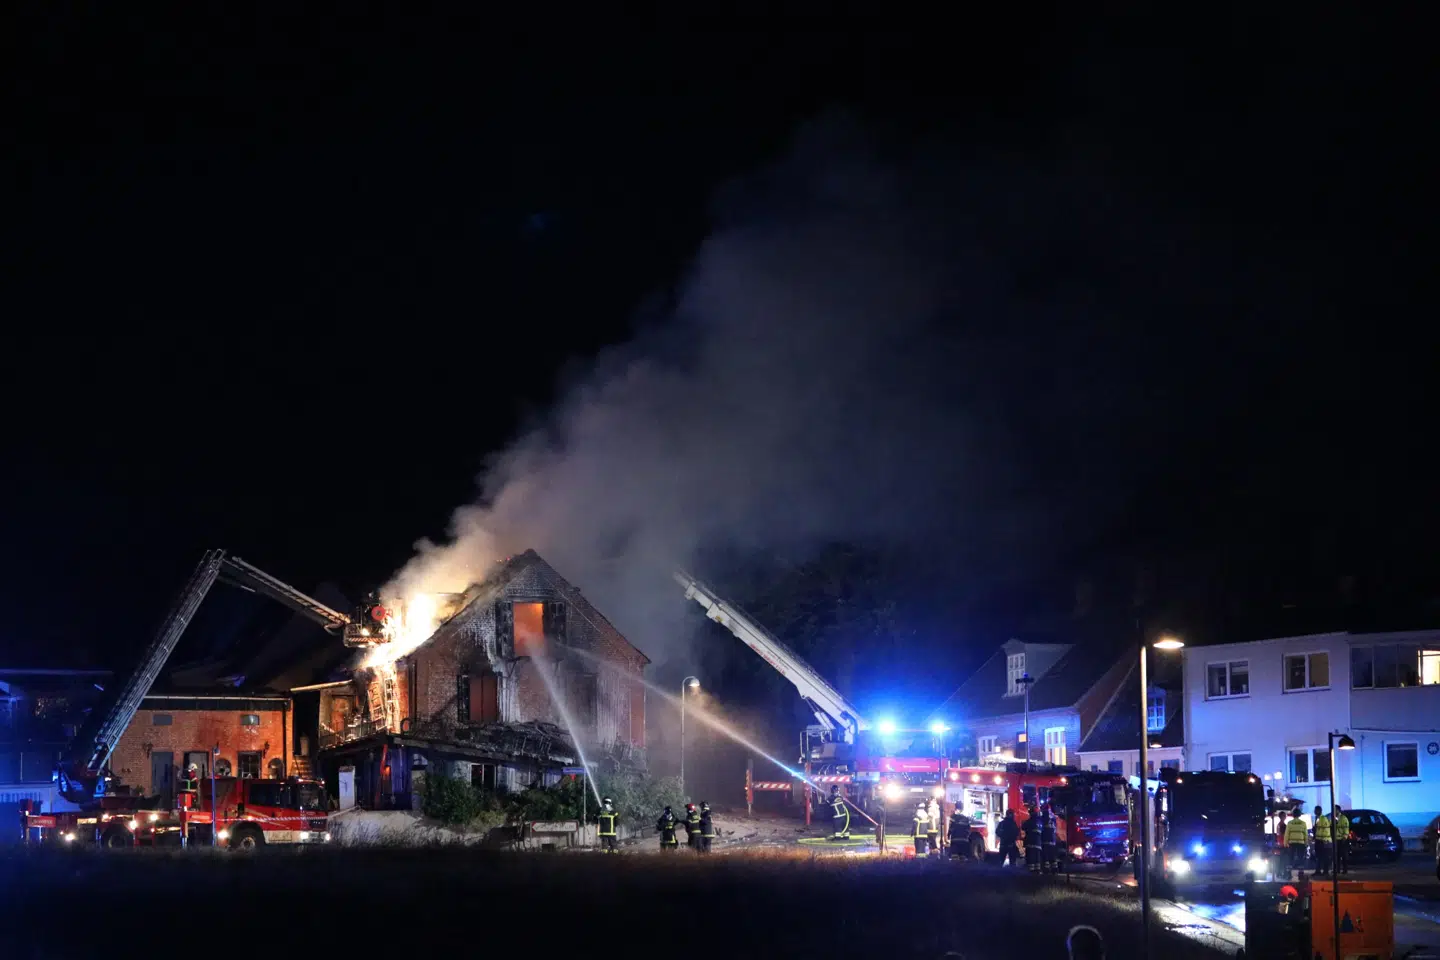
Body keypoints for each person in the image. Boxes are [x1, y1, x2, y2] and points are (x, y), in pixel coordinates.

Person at [1284, 809, 1310, 875]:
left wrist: (1285, 843)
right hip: (1301, 843)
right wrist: (1306, 843)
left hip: (1292, 843)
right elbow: (1306, 834)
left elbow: (1286, 834)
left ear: (1293, 814)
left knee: (1291, 857)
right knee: (1300, 857)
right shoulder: (1303, 823)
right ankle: (1300, 872)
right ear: (1299, 814)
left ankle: (1288, 873)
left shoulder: (1289, 823)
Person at [1313, 804, 1332, 874]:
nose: (1314, 811)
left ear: (1319, 811)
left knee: (1324, 857)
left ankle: (1325, 871)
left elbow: (1326, 830)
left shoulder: (1323, 819)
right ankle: (1318, 871)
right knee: (1318, 856)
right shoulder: (1317, 818)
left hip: (1324, 841)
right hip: (1318, 840)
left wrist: (1324, 840)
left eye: (1315, 810)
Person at [1023, 804, 1042, 873]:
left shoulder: (1029, 821)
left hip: (1030, 843)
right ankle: (1037, 870)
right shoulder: (1040, 822)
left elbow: (1023, 827)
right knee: (1037, 858)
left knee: (1031, 857)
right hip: (1038, 843)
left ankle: (1031, 872)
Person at [1041, 802, 1059, 873]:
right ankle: (1055, 870)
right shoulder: (1052, 820)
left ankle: (1046, 870)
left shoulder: (1043, 819)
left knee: (1046, 857)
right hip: (1052, 841)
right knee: (1053, 857)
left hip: (1045, 841)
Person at [1333, 805, 1351, 875]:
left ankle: (1345, 870)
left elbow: (1346, 829)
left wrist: (1344, 837)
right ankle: (1337, 870)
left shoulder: (1344, 819)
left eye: (1335, 810)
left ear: (1338, 810)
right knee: (1336, 856)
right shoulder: (1334, 818)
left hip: (1342, 839)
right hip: (1336, 840)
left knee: (1343, 856)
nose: (1333, 811)